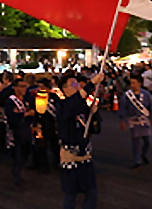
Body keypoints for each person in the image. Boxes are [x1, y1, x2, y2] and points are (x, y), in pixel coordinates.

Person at [57, 73, 104, 209]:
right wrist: (91, 84)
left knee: (91, 192)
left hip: (85, 156)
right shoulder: (63, 105)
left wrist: (94, 115)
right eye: (72, 84)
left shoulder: (83, 106)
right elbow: (73, 103)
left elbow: (95, 129)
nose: (77, 87)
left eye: (77, 84)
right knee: (70, 195)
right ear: (64, 89)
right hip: (69, 157)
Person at [118, 74, 152, 169]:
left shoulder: (146, 94)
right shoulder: (127, 96)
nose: (132, 85)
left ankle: (144, 154)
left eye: (134, 83)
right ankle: (137, 160)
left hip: (144, 119)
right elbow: (123, 107)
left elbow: (151, 106)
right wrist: (122, 120)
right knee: (136, 142)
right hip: (133, 120)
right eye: (131, 83)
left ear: (139, 83)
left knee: (148, 140)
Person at [5, 78, 35, 188]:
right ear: (15, 87)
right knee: (17, 154)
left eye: (25, 86)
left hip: (26, 130)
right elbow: (12, 117)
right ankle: (16, 176)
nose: (24, 89)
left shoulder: (27, 99)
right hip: (16, 131)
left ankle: (19, 172)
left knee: (26, 152)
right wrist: (25, 115)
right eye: (21, 86)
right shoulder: (11, 101)